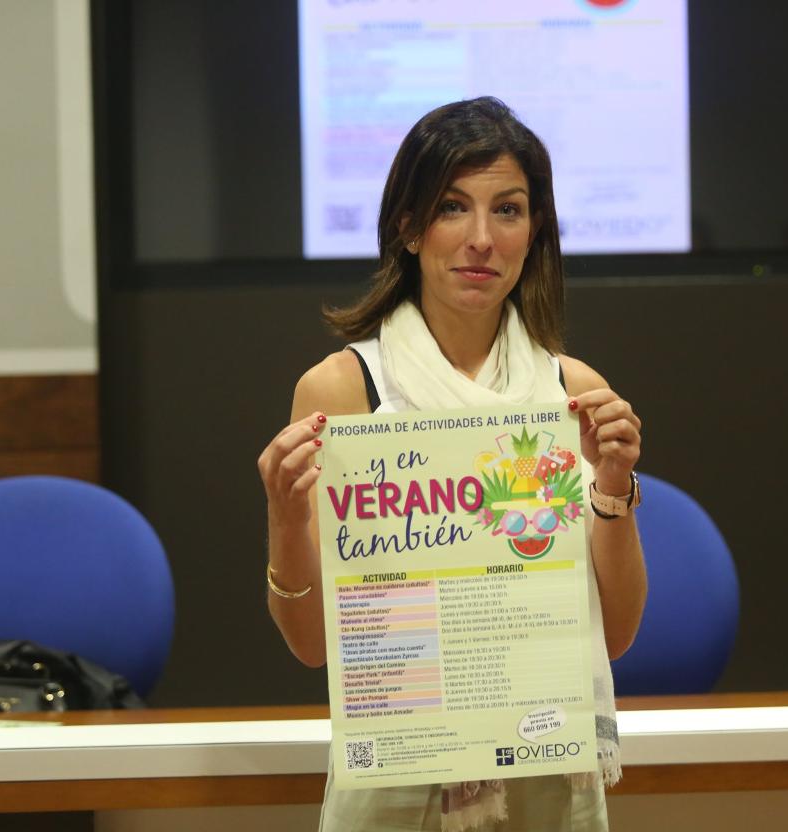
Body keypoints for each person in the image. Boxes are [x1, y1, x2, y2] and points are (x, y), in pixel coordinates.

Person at [258, 97, 647, 832]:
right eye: (451, 208)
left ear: (534, 232)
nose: (481, 239)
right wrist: (285, 515)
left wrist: (613, 489)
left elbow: (617, 636)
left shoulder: (573, 397)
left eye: (508, 210)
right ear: (409, 227)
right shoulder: (342, 393)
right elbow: (310, 646)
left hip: (548, 784)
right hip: (395, 789)